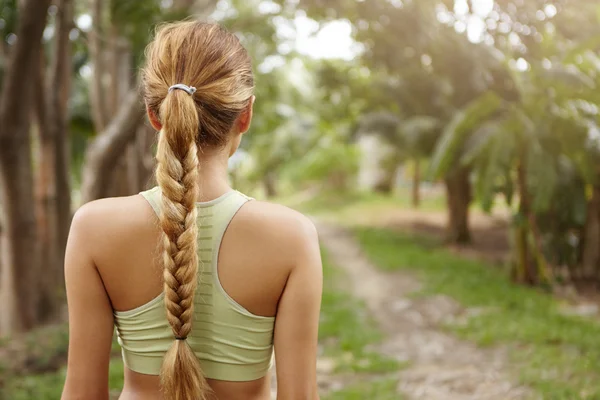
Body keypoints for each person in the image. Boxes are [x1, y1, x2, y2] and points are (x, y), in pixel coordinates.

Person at [61, 21, 322, 400]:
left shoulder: (93, 229)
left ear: (155, 116)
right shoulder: (291, 237)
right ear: (245, 115)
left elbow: (81, 394)